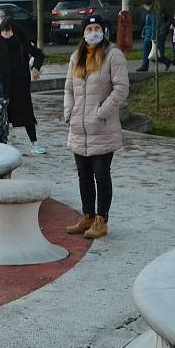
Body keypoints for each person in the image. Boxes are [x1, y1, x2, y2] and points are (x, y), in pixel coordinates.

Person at [63, 15, 129, 239]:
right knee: (84, 176)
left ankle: (102, 219)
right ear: (83, 33)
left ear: (103, 31)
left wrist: (102, 112)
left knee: (101, 175)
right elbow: (68, 90)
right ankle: (88, 216)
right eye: (89, 28)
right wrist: (69, 112)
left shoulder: (113, 55)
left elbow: (121, 88)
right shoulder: (76, 57)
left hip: (102, 127)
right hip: (78, 128)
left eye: (97, 28)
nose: (93, 32)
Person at [0, 18, 46, 154]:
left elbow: (39, 55)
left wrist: (36, 68)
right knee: (1, 116)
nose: (5, 33)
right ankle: (3, 143)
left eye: (8, 30)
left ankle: (34, 143)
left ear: (13, 30)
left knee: (26, 115)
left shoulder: (23, 43)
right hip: (2, 86)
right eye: (3, 30)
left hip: (20, 86)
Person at [136, 1, 156, 72]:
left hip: (150, 36)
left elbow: (153, 25)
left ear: (150, 5)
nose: (145, 7)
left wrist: (153, 36)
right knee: (148, 52)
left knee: (146, 52)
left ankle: (144, 66)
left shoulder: (152, 14)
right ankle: (166, 61)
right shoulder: (148, 14)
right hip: (147, 34)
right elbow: (146, 25)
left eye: (146, 6)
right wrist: (143, 32)